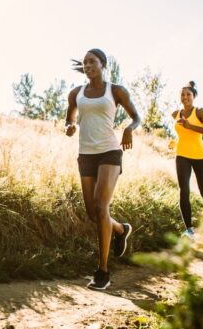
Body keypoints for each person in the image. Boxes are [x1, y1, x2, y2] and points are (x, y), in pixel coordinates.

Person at [65, 48, 141, 290]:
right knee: (92, 213)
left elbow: (136, 117)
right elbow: (70, 118)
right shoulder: (75, 93)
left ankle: (103, 272)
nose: (88, 65)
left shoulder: (116, 90)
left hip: (110, 152)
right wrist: (69, 126)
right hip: (86, 154)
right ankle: (120, 229)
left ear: (103, 64)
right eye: (85, 62)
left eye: (92, 61)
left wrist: (129, 128)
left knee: (100, 206)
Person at [172, 81, 203, 240]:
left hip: (200, 157)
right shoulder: (175, 114)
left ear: (194, 96)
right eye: (182, 94)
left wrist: (191, 126)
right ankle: (189, 230)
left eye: (188, 94)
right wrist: (174, 141)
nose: (185, 97)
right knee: (184, 191)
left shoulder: (200, 112)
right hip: (182, 155)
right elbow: (181, 134)